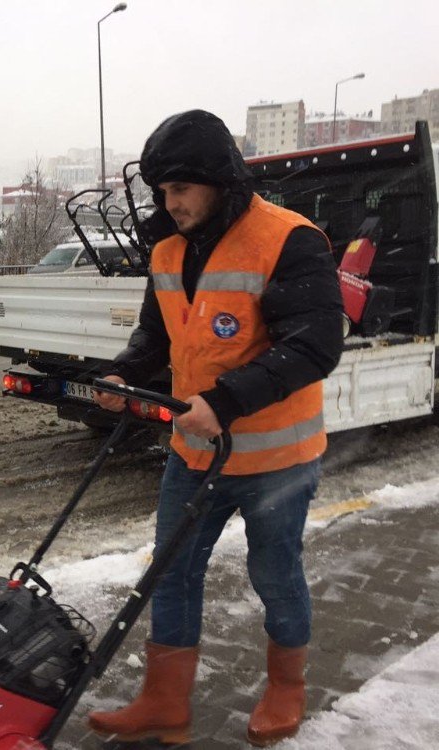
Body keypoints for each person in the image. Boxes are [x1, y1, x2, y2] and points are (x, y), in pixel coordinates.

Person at [87, 110, 343, 747]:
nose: (169, 205)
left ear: (218, 181)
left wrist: (225, 401)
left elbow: (315, 344)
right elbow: (158, 332)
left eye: (180, 190)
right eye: (162, 193)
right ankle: (165, 703)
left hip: (275, 460)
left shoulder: (289, 239)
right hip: (194, 451)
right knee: (170, 572)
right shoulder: (168, 250)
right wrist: (124, 373)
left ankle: (287, 687)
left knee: (273, 574)